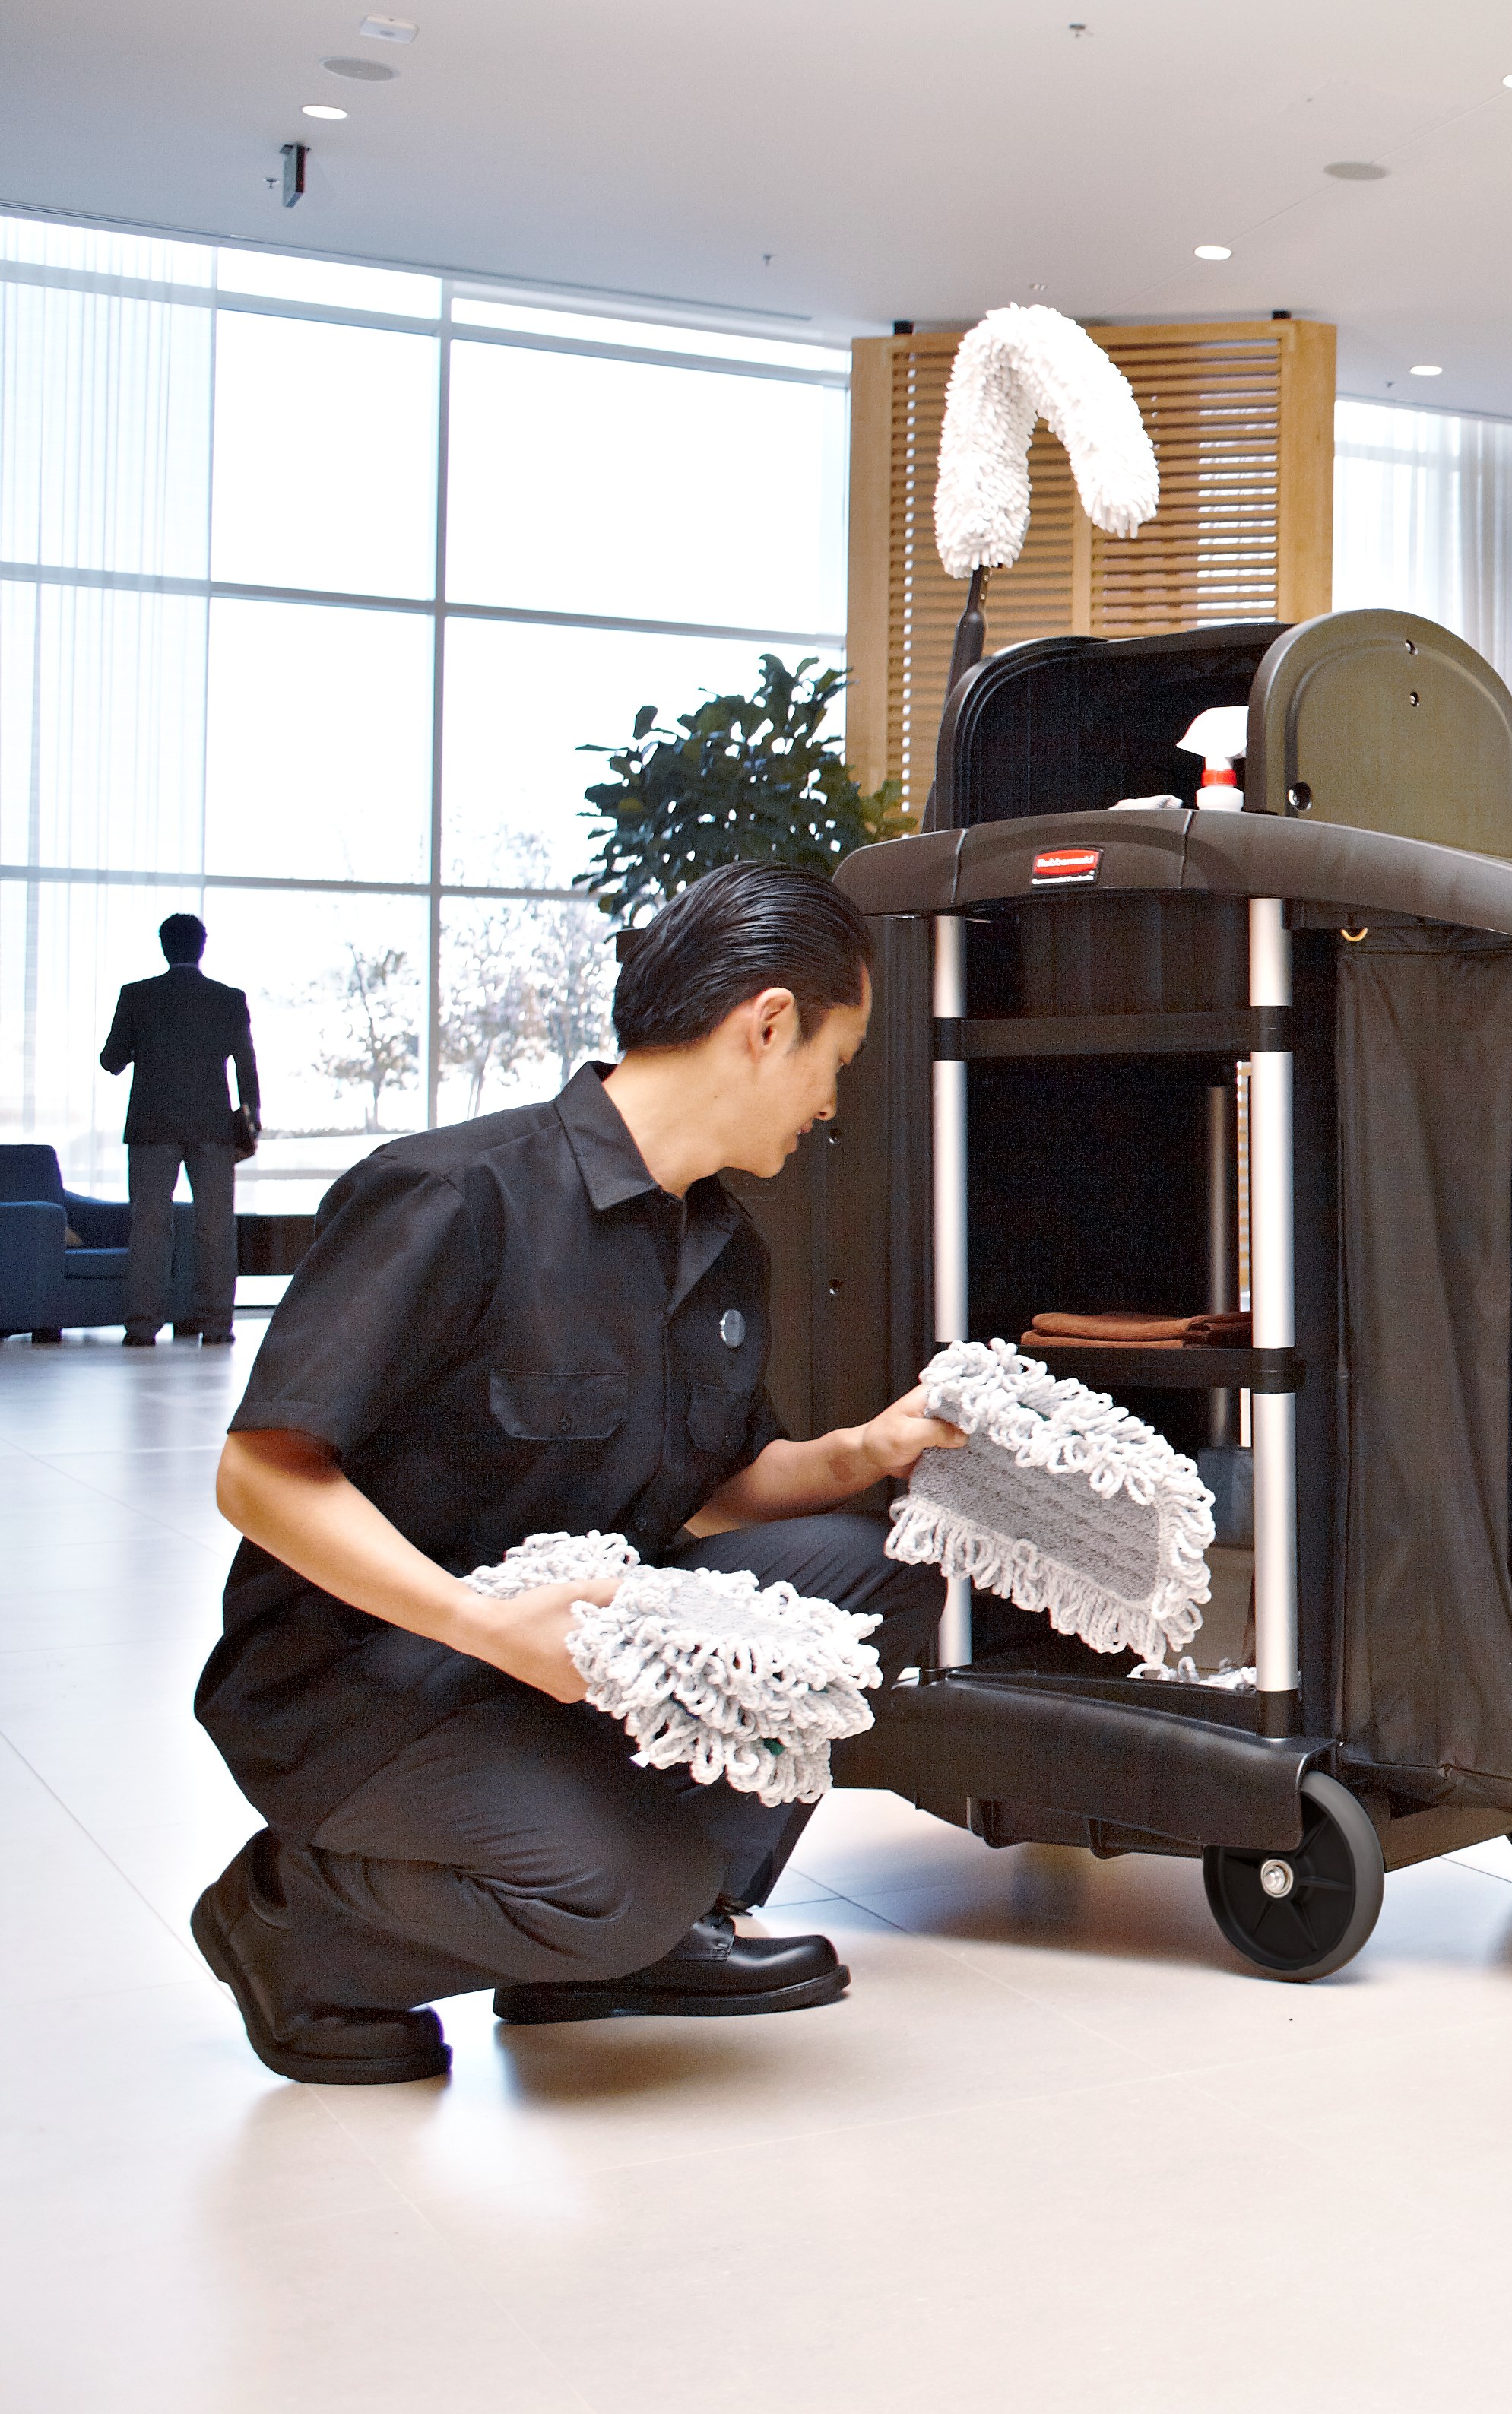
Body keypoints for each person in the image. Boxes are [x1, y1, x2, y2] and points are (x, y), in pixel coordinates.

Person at [188, 861, 968, 2087]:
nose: (831, 1102)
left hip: (558, 1656)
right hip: (364, 1681)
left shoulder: (720, 1246)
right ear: (767, 1026)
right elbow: (261, 1477)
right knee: (625, 1888)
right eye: (837, 1059)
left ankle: (649, 1937)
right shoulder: (454, 1195)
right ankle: (299, 1926)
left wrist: (866, 1453)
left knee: (874, 1575)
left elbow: (713, 1486)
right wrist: (487, 1626)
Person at [101, 910, 259, 1347]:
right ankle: (217, 1326)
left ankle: (141, 1328)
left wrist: (144, 1045)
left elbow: (110, 1060)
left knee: (150, 1228)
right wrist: (252, 1119)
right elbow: (246, 1064)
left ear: (164, 946)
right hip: (213, 1127)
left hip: (152, 1126)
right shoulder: (228, 998)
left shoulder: (136, 996)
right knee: (216, 1227)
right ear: (201, 947)